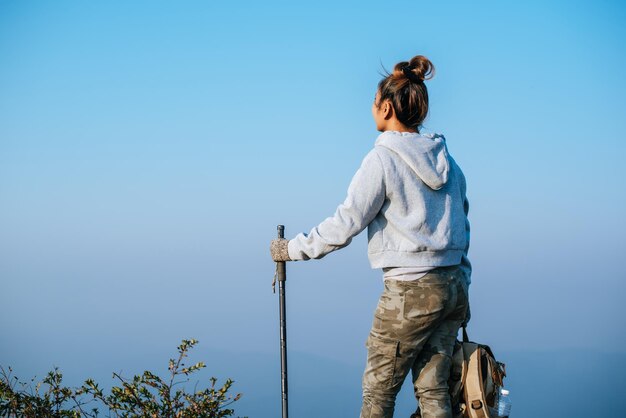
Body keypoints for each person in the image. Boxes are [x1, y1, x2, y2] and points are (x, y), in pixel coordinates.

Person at [270, 55, 471, 418]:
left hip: (409, 291)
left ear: (389, 107)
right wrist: (462, 281)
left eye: (375, 102)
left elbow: (347, 222)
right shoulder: (448, 162)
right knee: (433, 389)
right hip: (452, 286)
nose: (372, 108)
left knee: (378, 393)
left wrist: (291, 249)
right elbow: (462, 226)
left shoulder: (382, 160)